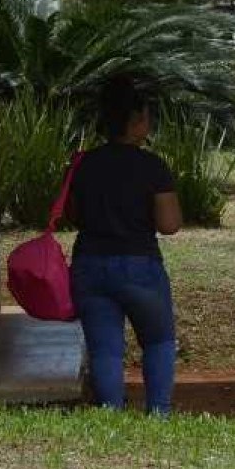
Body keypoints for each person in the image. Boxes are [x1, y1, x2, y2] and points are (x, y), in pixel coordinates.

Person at [68, 76, 183, 415]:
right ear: (136, 122)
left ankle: (111, 414)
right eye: (147, 117)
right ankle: (159, 412)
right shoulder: (152, 167)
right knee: (159, 340)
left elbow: (75, 216)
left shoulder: (82, 165)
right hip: (139, 265)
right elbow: (169, 224)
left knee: (105, 349)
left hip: (90, 265)